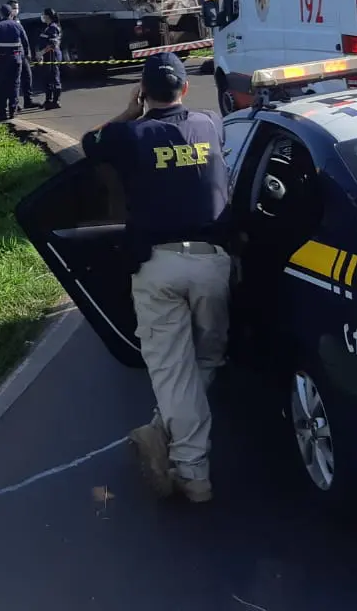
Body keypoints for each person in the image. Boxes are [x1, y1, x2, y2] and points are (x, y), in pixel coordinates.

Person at [82, 53, 230, 504]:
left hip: (159, 266)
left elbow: (91, 144)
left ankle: (191, 472)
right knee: (206, 361)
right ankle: (166, 430)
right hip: (214, 264)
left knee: (173, 372)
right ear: (185, 89)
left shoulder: (130, 134)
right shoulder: (209, 125)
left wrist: (129, 111)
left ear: (143, 92)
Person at [0, 4, 26, 120]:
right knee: (15, 84)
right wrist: (27, 56)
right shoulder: (17, 25)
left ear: (1, 14)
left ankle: (2, 113)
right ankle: (12, 111)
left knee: (1, 85)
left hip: (2, 59)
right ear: (11, 13)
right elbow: (25, 42)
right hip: (16, 59)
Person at [8, 0, 40, 110]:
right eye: (13, 8)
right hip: (12, 54)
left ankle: (28, 100)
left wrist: (28, 53)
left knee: (27, 76)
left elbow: (24, 38)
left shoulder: (17, 20)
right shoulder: (5, 22)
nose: (15, 10)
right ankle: (14, 103)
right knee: (14, 80)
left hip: (21, 52)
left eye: (17, 8)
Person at [38, 7, 63, 110]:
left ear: (47, 16)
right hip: (48, 56)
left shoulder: (53, 27)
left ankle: (55, 101)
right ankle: (48, 100)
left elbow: (52, 44)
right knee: (47, 79)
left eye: (43, 15)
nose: (42, 17)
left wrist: (41, 53)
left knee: (54, 78)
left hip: (52, 56)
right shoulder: (48, 27)